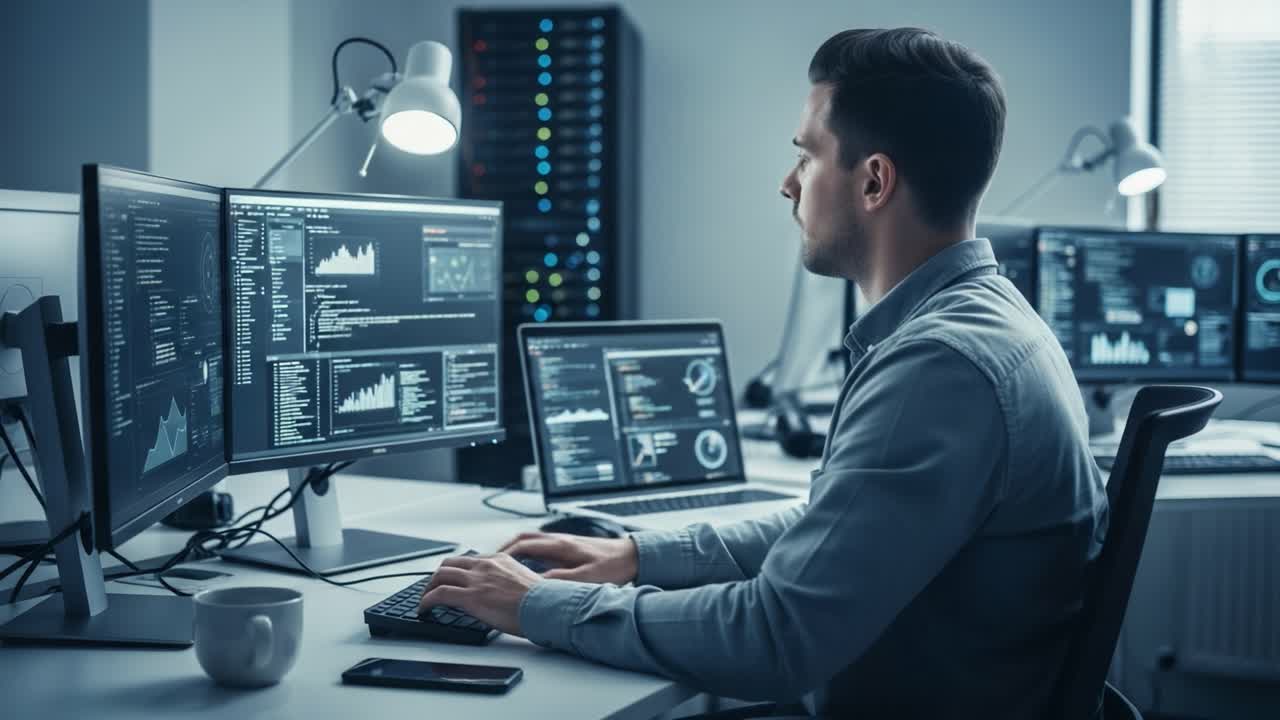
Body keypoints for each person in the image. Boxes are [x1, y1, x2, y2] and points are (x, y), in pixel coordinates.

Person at [419, 27, 1108, 718]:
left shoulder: (940, 367)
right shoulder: (990, 320)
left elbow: (774, 637)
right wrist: (639, 556)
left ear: (874, 181)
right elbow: (838, 529)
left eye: (806, 156)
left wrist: (538, 604)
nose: (788, 184)